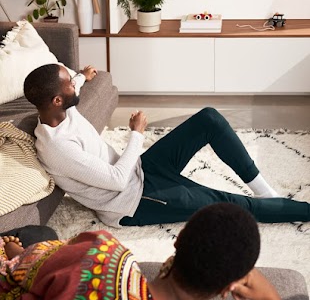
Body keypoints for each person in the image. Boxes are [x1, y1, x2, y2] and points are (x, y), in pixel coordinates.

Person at [23, 64, 310, 228]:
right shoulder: (57, 147)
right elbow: (117, 181)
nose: (74, 86)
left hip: (142, 170)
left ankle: (266, 191)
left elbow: (70, 84)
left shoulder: (58, 108)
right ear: (58, 100)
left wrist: (81, 77)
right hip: (133, 202)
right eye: (69, 86)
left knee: (208, 119)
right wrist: (135, 134)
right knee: (237, 206)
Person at [0, 203, 283, 300]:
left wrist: (15, 250)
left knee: (41, 236)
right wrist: (272, 299)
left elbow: (29, 264)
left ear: (178, 239)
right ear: (227, 288)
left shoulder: (102, 253)